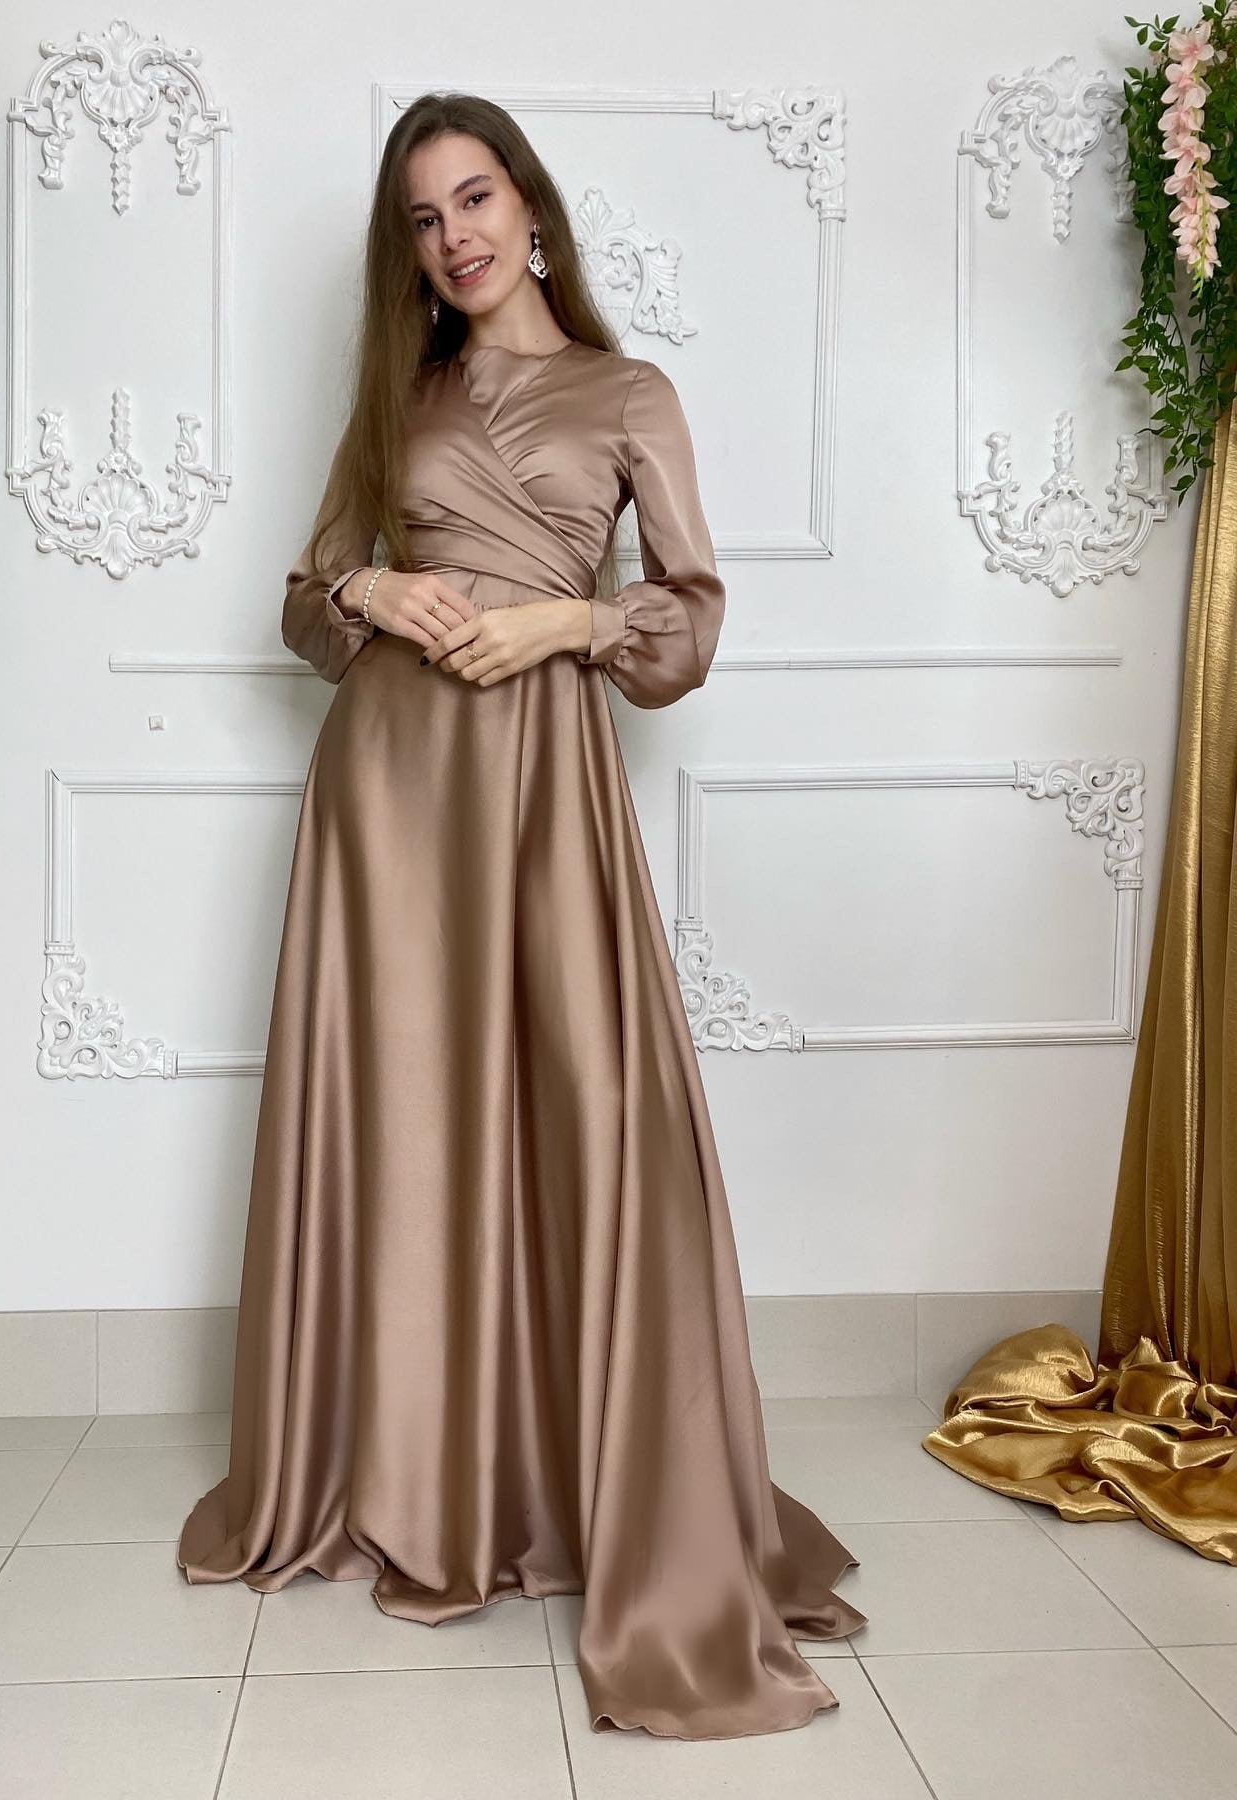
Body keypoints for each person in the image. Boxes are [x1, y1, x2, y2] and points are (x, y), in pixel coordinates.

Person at [177, 89, 867, 1741]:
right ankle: (420, 1478)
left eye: (475, 199)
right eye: (423, 218)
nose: (455, 236)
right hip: (391, 795)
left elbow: (689, 628)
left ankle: (579, 1471)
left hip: (545, 789)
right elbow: (303, 605)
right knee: (412, 1119)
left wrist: (566, 622)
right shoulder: (396, 396)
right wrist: (372, 585)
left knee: (584, 1112)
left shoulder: (629, 394)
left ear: (531, 209)